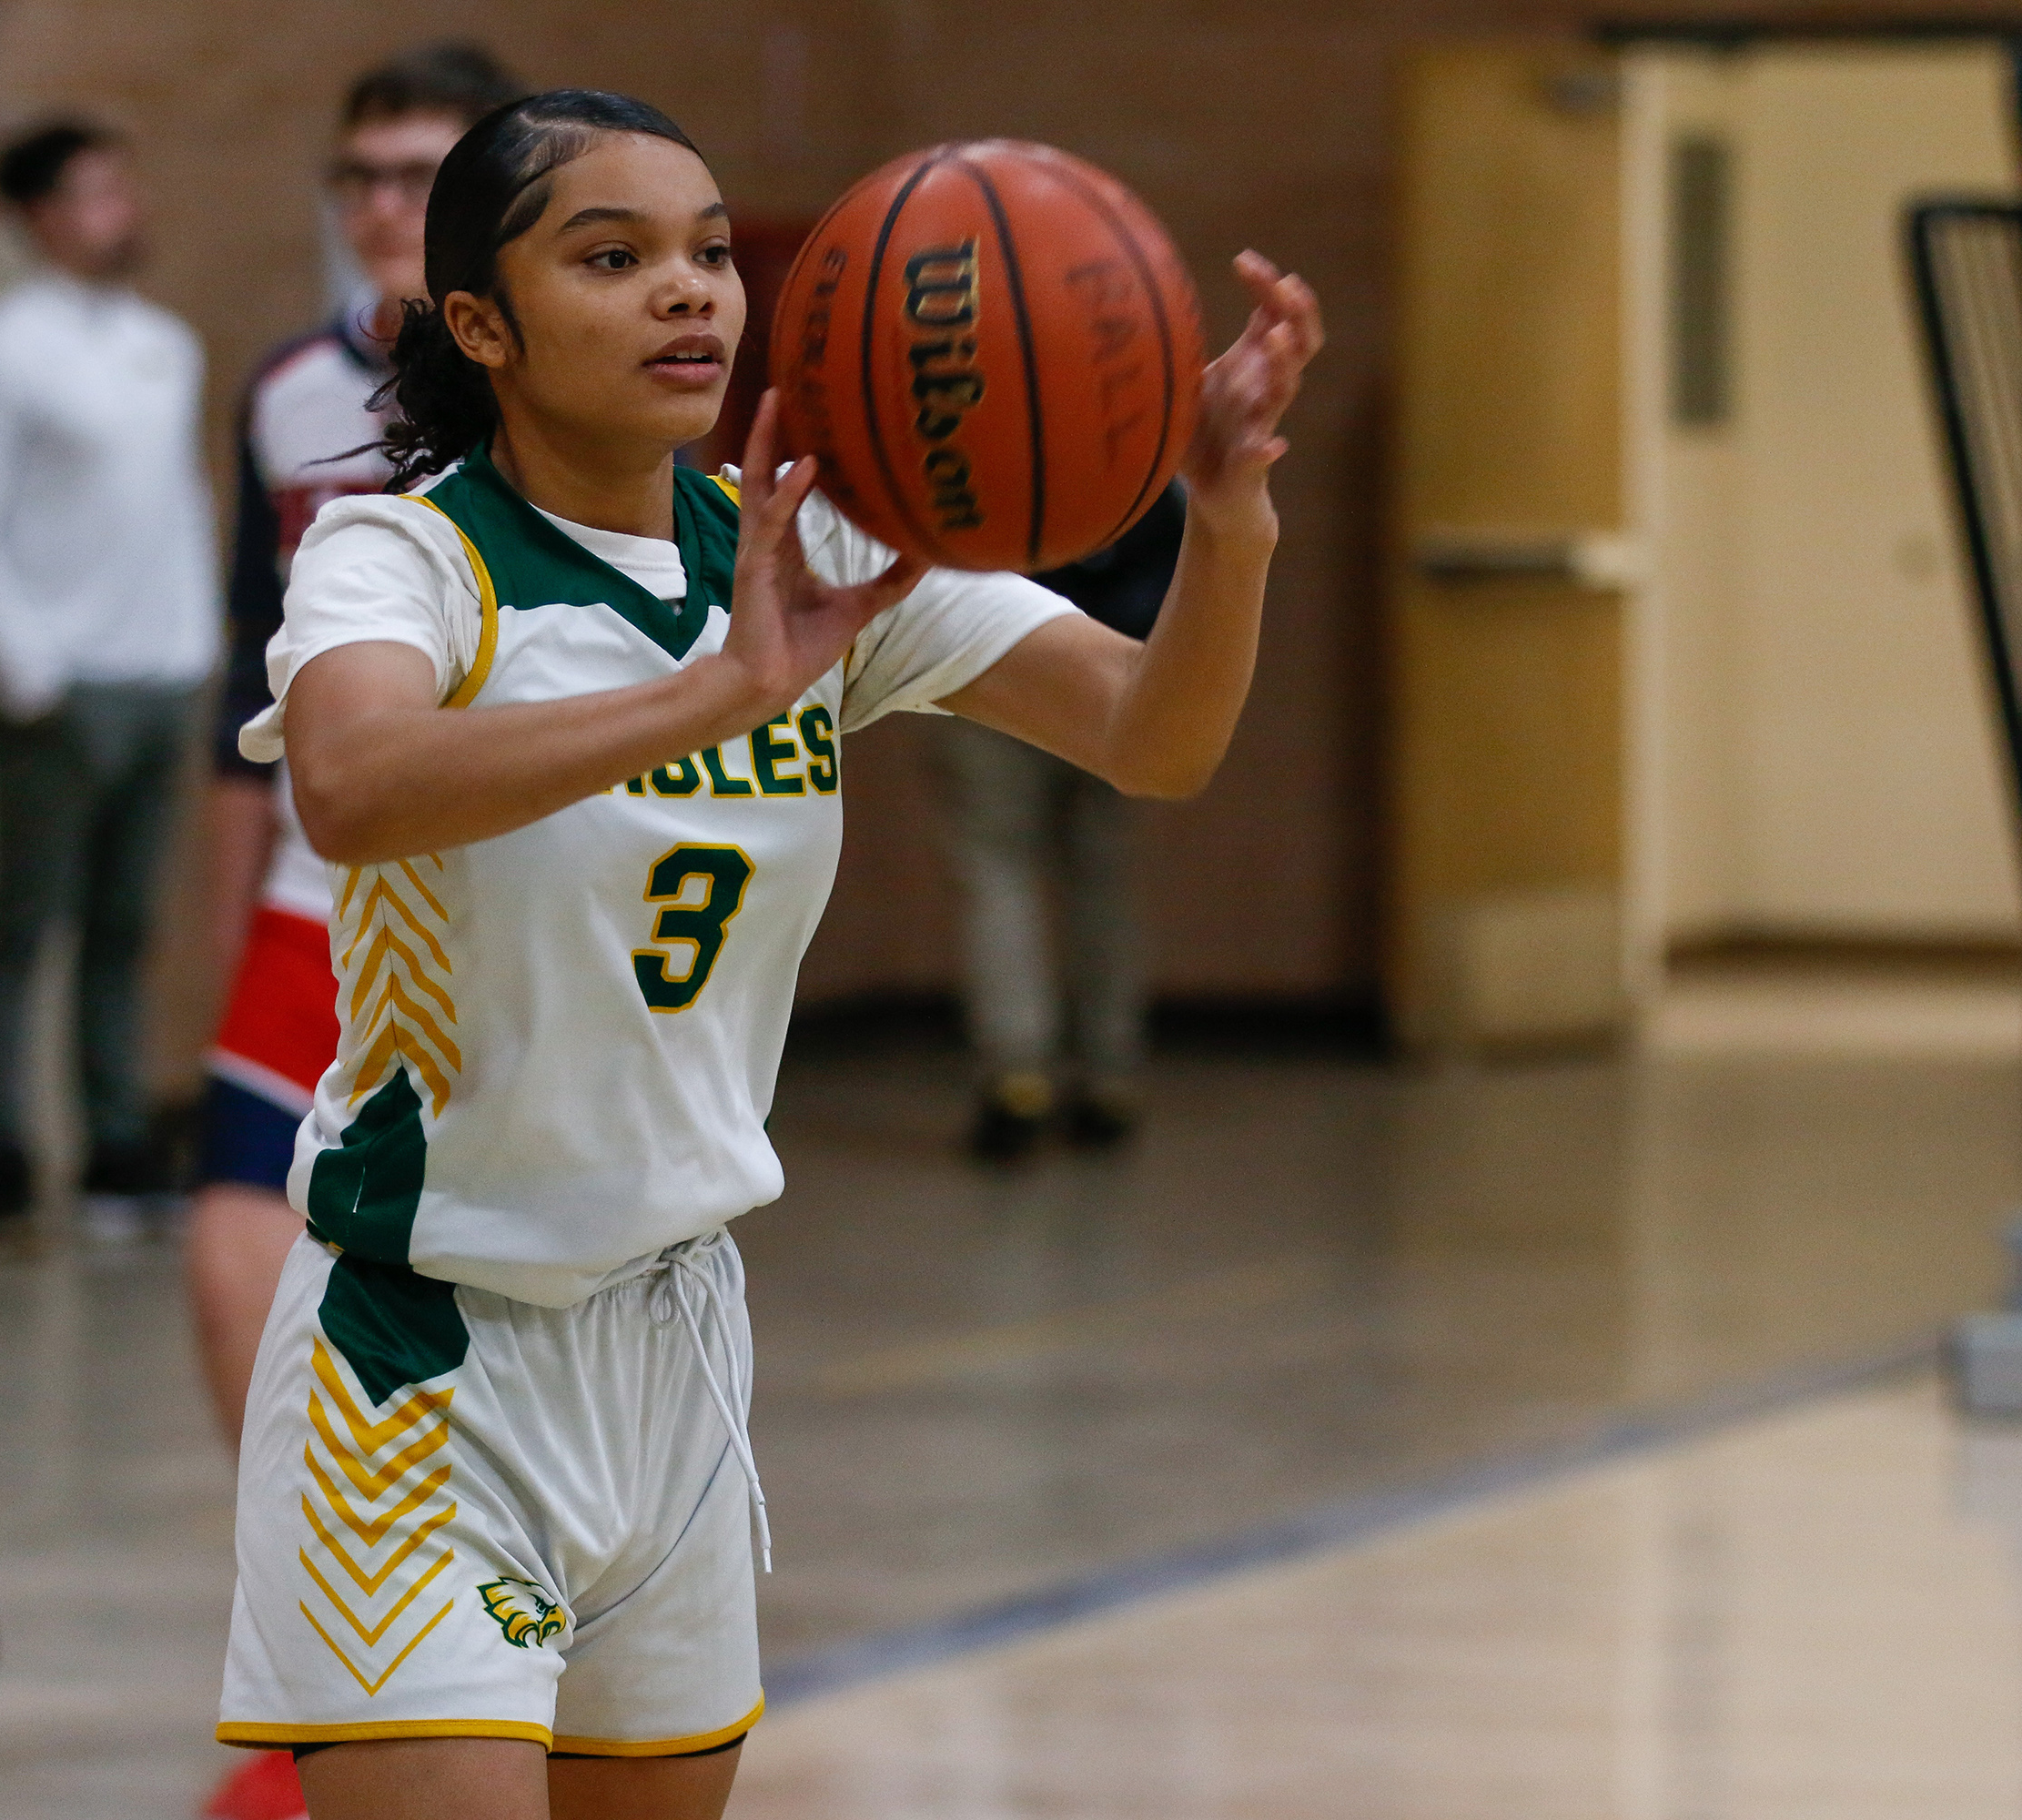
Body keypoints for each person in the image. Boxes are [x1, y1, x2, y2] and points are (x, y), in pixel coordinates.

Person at [214, 89, 1319, 1820]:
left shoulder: (818, 562)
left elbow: (1153, 737)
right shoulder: (408, 557)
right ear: (484, 326)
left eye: (711, 255)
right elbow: (352, 787)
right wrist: (719, 691)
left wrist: (1229, 512)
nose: (689, 293)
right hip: (424, 1359)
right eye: (616, 256)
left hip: (677, 1351)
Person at [192, 46, 522, 1820]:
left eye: (420, 173)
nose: (382, 204)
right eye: (360, 176)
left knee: (463, 1353)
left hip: (497, 935)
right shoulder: (281, 400)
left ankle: (453, 1695)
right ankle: (318, 1704)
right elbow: (242, 668)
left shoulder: (580, 418)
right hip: (317, 906)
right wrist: (221, 913)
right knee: (232, 1282)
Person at [0, 119, 218, 1239]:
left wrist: (194, 645)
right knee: (26, 919)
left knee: (125, 921)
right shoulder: (3, 351)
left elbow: (178, 506)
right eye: (92, 195)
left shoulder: (164, 342)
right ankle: (3, 1139)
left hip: (158, 673)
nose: (118, 212)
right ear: (41, 217)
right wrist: (30, 670)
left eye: (120, 188)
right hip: (61, 685)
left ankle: (115, 1142)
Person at [935, 480, 1187, 1161]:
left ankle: (1017, 1077)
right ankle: (1110, 1075)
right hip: (1118, 672)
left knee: (996, 868)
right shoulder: (1149, 447)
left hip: (984, 661)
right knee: (1102, 878)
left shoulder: (962, 427)